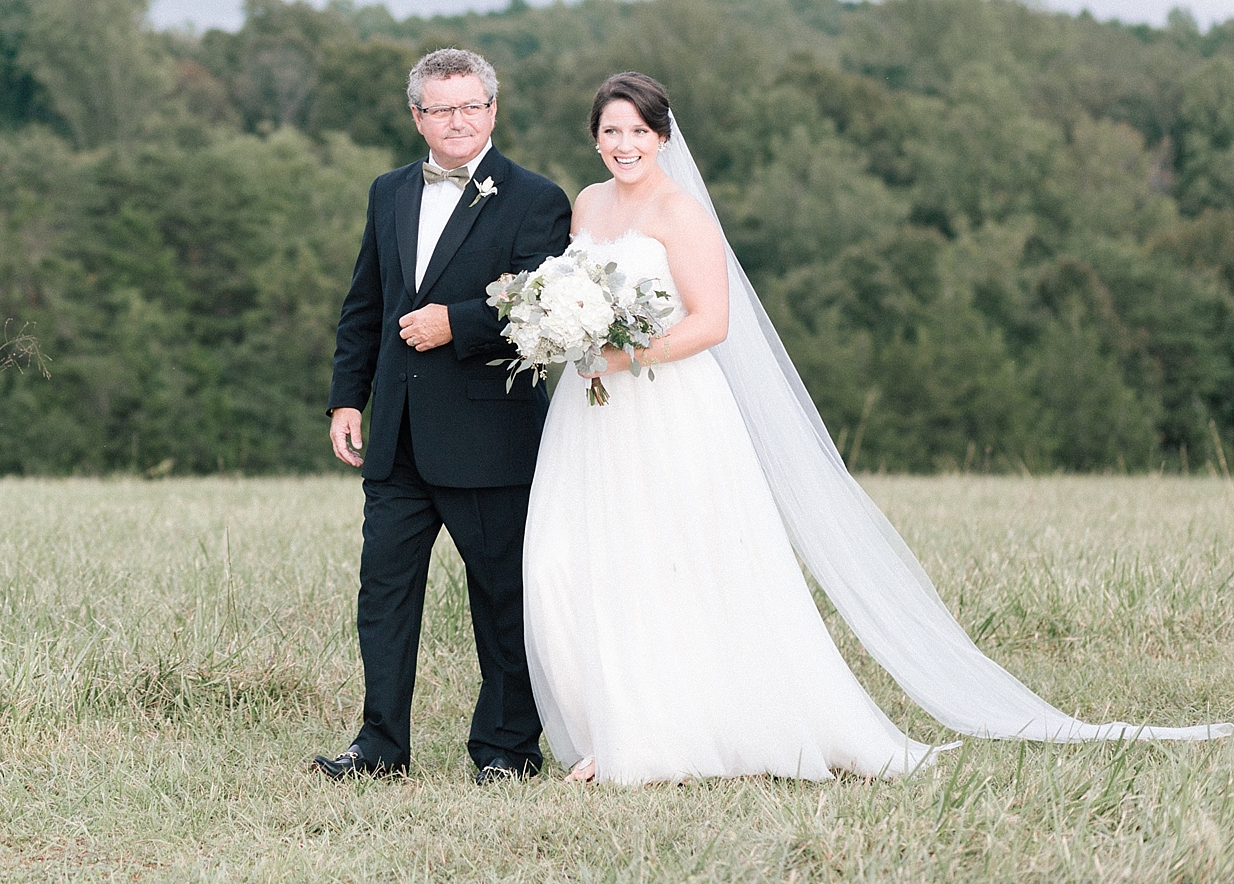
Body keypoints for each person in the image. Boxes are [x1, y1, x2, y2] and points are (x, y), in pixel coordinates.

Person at [523, 71, 1229, 786]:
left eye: (638, 130)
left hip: (666, 404)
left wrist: (623, 353)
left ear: (663, 137)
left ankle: (654, 737)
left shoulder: (682, 213)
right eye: (610, 130)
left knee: (665, 561)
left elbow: (712, 322)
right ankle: (604, 722)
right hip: (590, 411)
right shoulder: (587, 203)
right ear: (594, 137)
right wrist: (565, 332)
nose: (623, 144)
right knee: (570, 560)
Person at [313, 48, 571, 785]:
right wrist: (344, 396)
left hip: (491, 436)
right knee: (384, 596)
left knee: (501, 600)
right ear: (417, 116)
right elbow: (365, 302)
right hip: (395, 436)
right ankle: (379, 744)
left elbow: (541, 305)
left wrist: (457, 321)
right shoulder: (388, 190)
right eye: (440, 108)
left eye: (470, 106)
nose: (456, 121)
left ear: (492, 110)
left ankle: (505, 749)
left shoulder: (536, 197)